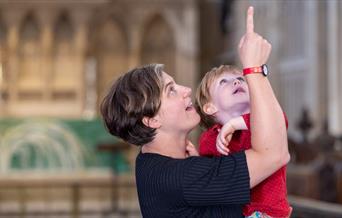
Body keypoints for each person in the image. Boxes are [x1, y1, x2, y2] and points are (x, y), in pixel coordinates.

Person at [100, 7, 290, 218]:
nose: (186, 90)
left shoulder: (151, 163)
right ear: (151, 120)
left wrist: (198, 163)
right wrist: (255, 68)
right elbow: (275, 154)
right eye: (171, 90)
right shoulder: (179, 178)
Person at [196, 65, 291, 218]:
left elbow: (279, 121)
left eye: (240, 79)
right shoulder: (210, 137)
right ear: (209, 107)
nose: (236, 82)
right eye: (223, 82)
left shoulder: (262, 122)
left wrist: (234, 124)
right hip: (234, 211)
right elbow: (207, 171)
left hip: (269, 210)